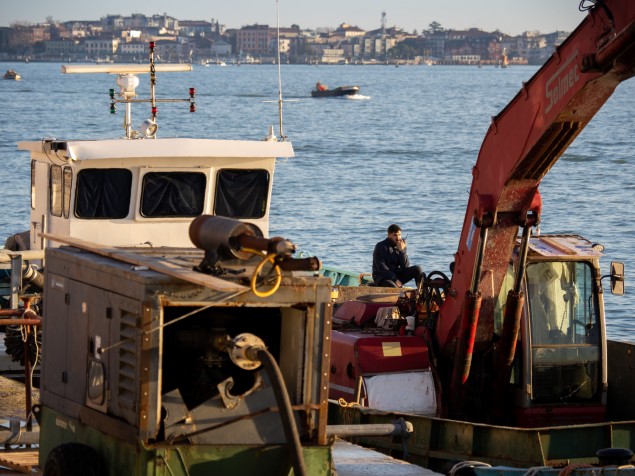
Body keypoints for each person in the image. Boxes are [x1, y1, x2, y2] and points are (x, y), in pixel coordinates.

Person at [372, 224, 423, 288]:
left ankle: (423, 293)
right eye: (395, 235)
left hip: (396, 275)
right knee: (394, 288)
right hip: (382, 277)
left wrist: (402, 251)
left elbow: (405, 266)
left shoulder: (401, 245)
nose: (398, 237)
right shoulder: (380, 246)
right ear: (389, 235)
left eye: (399, 235)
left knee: (417, 269)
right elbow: (381, 267)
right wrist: (395, 279)